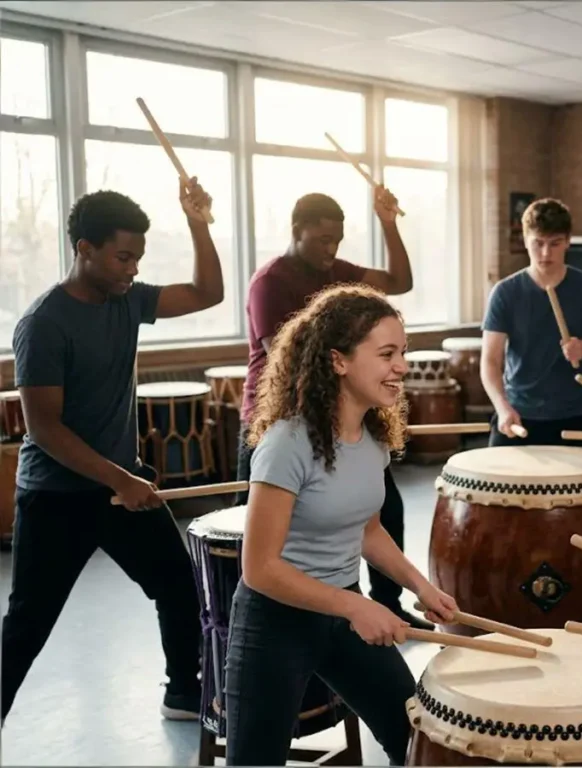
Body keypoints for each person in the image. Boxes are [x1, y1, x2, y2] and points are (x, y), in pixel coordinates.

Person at [3, 180, 224, 722]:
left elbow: (207, 293)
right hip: (56, 497)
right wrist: (119, 478)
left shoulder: (129, 300)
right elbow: (45, 429)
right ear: (84, 249)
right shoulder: (43, 323)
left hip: (121, 489)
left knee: (179, 586)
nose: (132, 269)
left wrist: (198, 221)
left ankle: (181, 692)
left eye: (138, 258)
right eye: (123, 256)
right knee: (29, 621)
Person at [225, 283, 457, 766]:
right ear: (338, 361)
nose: (402, 367)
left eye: (404, 353)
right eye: (387, 353)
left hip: (341, 611)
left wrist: (420, 586)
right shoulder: (287, 443)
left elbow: (368, 531)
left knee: (416, 741)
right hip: (275, 621)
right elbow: (260, 568)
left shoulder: (372, 435)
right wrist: (354, 605)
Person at [236, 188, 431, 630]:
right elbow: (289, 361)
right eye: (321, 240)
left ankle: (387, 604)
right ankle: (246, 627)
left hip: (341, 416)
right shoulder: (270, 282)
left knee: (383, 510)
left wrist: (387, 222)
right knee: (258, 544)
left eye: (337, 241)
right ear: (295, 231)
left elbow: (399, 282)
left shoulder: (340, 273)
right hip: (277, 417)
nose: (331, 250)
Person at [481, 198, 582, 447]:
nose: (546, 253)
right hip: (519, 413)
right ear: (525, 241)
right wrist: (502, 407)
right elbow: (490, 361)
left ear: (568, 241)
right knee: (494, 484)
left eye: (555, 243)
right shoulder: (505, 292)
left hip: (575, 414)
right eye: (538, 244)